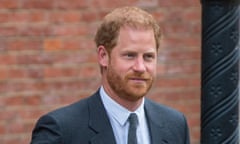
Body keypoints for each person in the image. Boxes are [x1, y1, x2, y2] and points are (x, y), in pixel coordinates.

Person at [30, 6, 190, 144]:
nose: (140, 67)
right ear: (103, 56)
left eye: (148, 56)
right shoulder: (61, 130)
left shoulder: (175, 125)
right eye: (129, 55)